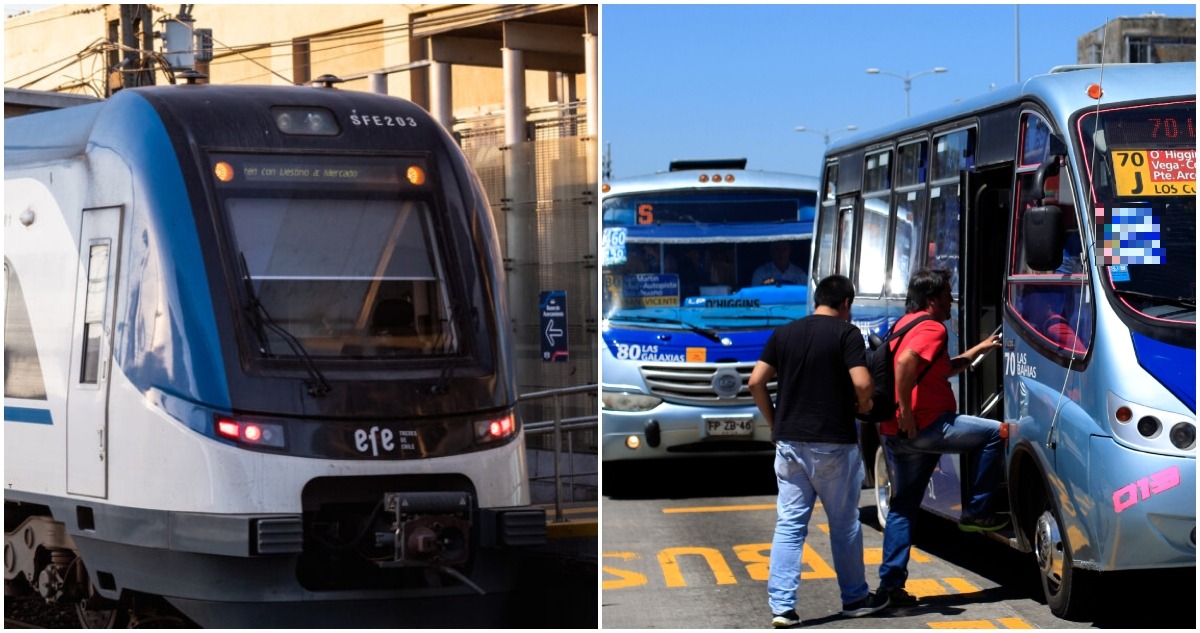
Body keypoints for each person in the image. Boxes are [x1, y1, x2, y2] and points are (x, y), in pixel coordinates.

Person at [749, 274, 889, 627]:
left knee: (790, 525)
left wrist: (775, 424)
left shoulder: (785, 333)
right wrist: (865, 405)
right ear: (846, 304)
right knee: (844, 525)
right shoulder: (846, 333)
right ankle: (855, 598)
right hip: (833, 444)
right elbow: (862, 382)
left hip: (789, 443)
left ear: (817, 299)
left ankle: (782, 609)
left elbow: (755, 381)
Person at [875, 268, 1006, 608]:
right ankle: (977, 512)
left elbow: (942, 368)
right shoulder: (933, 328)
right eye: (948, 295)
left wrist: (981, 348)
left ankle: (890, 587)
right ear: (932, 299)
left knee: (902, 507)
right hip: (927, 426)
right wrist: (906, 410)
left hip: (897, 434)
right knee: (996, 433)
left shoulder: (904, 324)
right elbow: (905, 364)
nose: (952, 301)